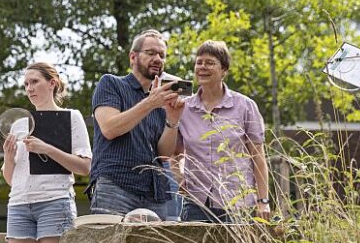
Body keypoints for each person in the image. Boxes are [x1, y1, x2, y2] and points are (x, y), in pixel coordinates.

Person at [1, 62, 92, 243]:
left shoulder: (70, 117)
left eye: (35, 82)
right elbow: (10, 179)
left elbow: (85, 167)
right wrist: (8, 157)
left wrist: (47, 148)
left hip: (55, 202)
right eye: (26, 84)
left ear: (52, 83)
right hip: (19, 206)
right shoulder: (19, 123)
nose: (29, 88)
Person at [160, 41, 270, 223]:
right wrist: (179, 178)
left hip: (237, 203)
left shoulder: (245, 106)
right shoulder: (183, 107)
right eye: (199, 62)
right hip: (196, 203)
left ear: (224, 71)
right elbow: (174, 153)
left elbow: (258, 157)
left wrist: (263, 200)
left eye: (210, 63)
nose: (202, 67)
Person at [89, 29, 181, 220]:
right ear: (133, 57)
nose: (157, 58)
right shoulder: (111, 84)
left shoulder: (160, 100)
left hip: (154, 193)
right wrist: (150, 103)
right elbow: (109, 128)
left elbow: (163, 154)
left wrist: (173, 119)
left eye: (162, 55)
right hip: (115, 187)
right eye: (150, 53)